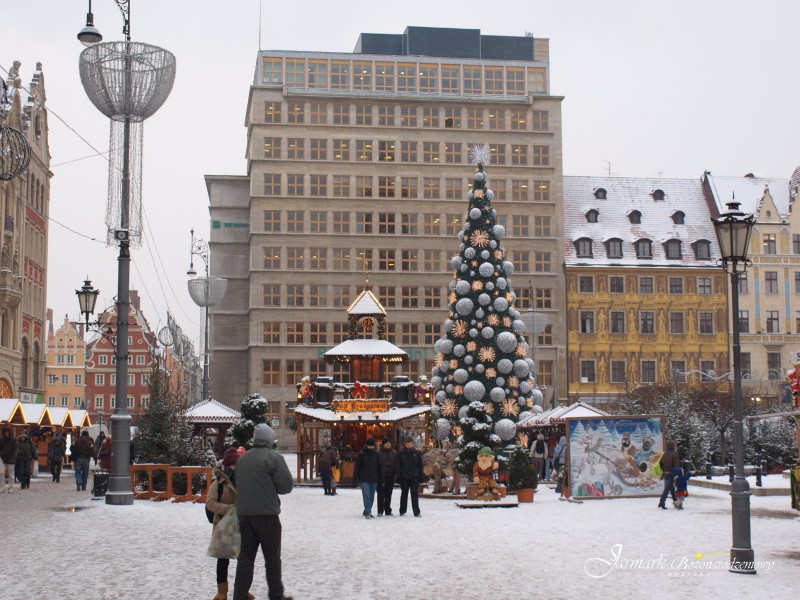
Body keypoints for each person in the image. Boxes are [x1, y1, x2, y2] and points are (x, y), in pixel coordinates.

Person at [233, 423, 293, 600]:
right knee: (272, 559)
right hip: (267, 516)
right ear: (270, 440)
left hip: (244, 515)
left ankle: (239, 596)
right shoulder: (273, 458)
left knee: (245, 559)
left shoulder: (243, 459)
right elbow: (286, 486)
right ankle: (276, 595)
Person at [207, 447, 255, 600]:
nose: (236, 467)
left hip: (242, 524)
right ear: (228, 465)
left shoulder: (245, 480)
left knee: (244, 559)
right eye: (234, 464)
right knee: (223, 559)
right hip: (224, 525)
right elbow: (210, 503)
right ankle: (222, 592)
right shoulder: (219, 483)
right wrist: (229, 509)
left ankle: (242, 589)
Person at [397, 437, 424, 517]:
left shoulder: (417, 453)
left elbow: (420, 466)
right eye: (407, 444)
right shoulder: (400, 453)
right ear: (405, 444)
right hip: (404, 477)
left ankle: (416, 512)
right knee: (404, 494)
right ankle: (402, 510)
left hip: (414, 477)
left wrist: (421, 476)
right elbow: (398, 465)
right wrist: (399, 476)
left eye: (410, 444)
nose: (409, 445)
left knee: (414, 494)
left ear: (412, 444)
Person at [354, 437, 380, 519]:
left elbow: (379, 467)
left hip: (374, 478)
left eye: (372, 446)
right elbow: (357, 467)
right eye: (369, 446)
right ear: (366, 445)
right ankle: (368, 511)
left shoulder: (376, 454)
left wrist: (380, 477)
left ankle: (367, 510)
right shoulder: (361, 454)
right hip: (364, 478)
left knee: (372, 496)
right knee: (366, 495)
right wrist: (356, 478)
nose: (371, 447)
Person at [377, 437, 398, 516]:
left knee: (388, 493)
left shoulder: (393, 453)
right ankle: (380, 510)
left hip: (390, 475)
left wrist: (396, 474)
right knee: (381, 494)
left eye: (389, 443)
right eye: (386, 443)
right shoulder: (378, 453)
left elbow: (395, 464)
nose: (388, 444)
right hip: (381, 476)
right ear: (383, 444)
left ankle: (388, 510)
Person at [657, 440, 680, 509]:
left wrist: (663, 472)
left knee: (671, 488)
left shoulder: (664, 454)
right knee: (667, 489)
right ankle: (662, 502)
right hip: (671, 473)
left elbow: (660, 464)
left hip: (665, 473)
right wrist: (677, 474)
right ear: (673, 447)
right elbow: (677, 466)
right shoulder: (674, 455)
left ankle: (676, 501)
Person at [0, 426, 18, 493]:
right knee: (1, 472)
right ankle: (2, 487)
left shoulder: (14, 440)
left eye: (7, 432)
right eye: (5, 432)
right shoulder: (2, 439)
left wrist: (12, 459)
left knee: (11, 474)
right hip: (2, 458)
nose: (6, 433)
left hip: (11, 459)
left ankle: (11, 487)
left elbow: (15, 451)